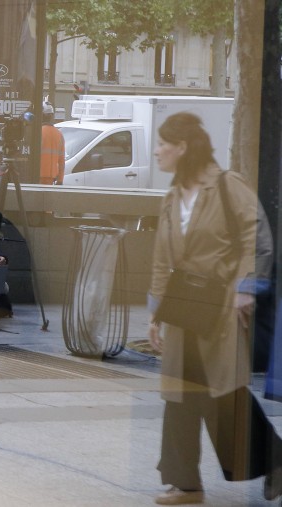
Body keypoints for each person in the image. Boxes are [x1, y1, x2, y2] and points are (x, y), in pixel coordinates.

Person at [147, 112, 282, 505]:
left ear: (183, 147)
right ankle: (185, 483)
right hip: (183, 308)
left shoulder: (226, 185)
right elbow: (160, 259)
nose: (157, 151)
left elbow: (257, 238)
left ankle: (275, 460)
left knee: (224, 395)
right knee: (179, 394)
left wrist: (247, 288)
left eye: (162, 144)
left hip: (219, 305)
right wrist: (157, 312)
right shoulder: (172, 198)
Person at [40, 101, 65, 185]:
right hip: (51, 178)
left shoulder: (37, 133)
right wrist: (60, 180)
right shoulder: (59, 134)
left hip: (36, 176)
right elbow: (61, 161)